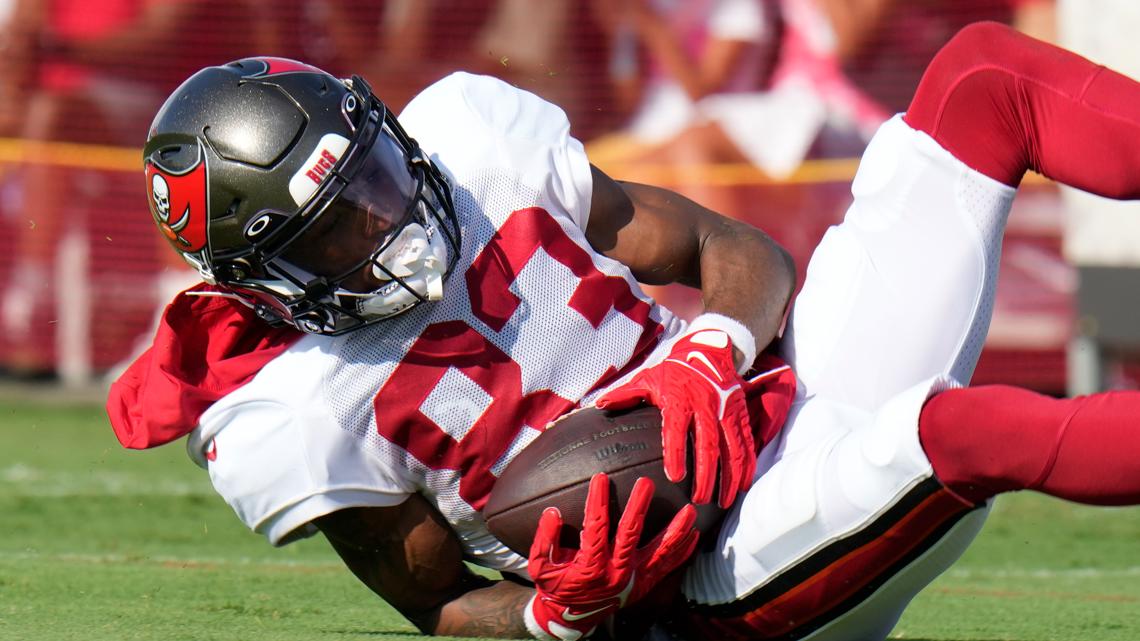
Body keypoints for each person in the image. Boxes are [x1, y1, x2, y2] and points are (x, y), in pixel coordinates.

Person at [107, 22, 1140, 641]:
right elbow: (446, 610)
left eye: (373, 182)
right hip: (711, 572)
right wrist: (557, 615)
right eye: (334, 234)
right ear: (262, 284)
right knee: (954, 430)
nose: (385, 223)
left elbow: (731, 251)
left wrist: (712, 347)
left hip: (770, 401)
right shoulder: (290, 411)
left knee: (980, 79)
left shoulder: (471, 142)